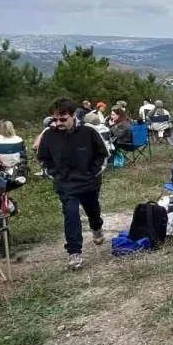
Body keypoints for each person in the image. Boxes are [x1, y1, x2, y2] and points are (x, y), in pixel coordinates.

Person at [37, 97, 108, 270]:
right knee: (71, 215)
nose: (58, 123)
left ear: (72, 116)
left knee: (92, 210)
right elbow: (43, 159)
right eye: (55, 119)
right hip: (65, 184)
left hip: (89, 182)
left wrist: (92, 172)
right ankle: (74, 252)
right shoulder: (49, 135)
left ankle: (96, 227)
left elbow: (103, 154)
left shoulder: (89, 131)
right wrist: (54, 174)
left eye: (63, 119)